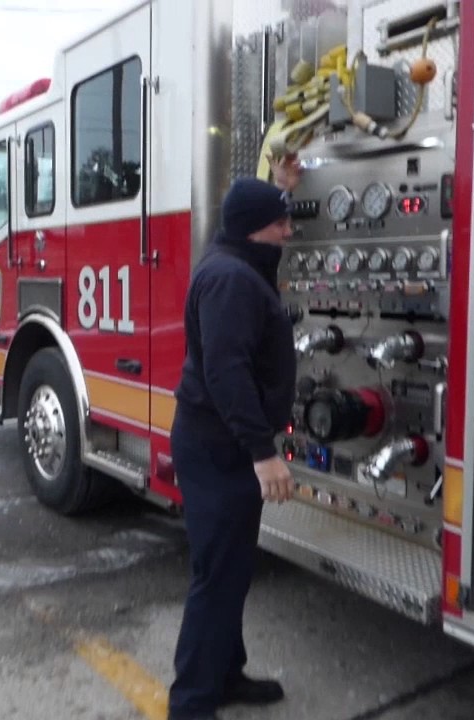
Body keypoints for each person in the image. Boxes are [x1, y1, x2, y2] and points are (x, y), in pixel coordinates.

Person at [168, 155, 303, 720]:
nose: (289, 231)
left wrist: (280, 190)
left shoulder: (237, 258)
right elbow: (226, 374)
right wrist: (263, 453)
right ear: (256, 231)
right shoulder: (229, 280)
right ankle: (192, 702)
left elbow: (260, 224)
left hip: (220, 445)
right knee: (216, 576)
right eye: (281, 224)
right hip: (219, 448)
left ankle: (225, 675)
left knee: (231, 570)